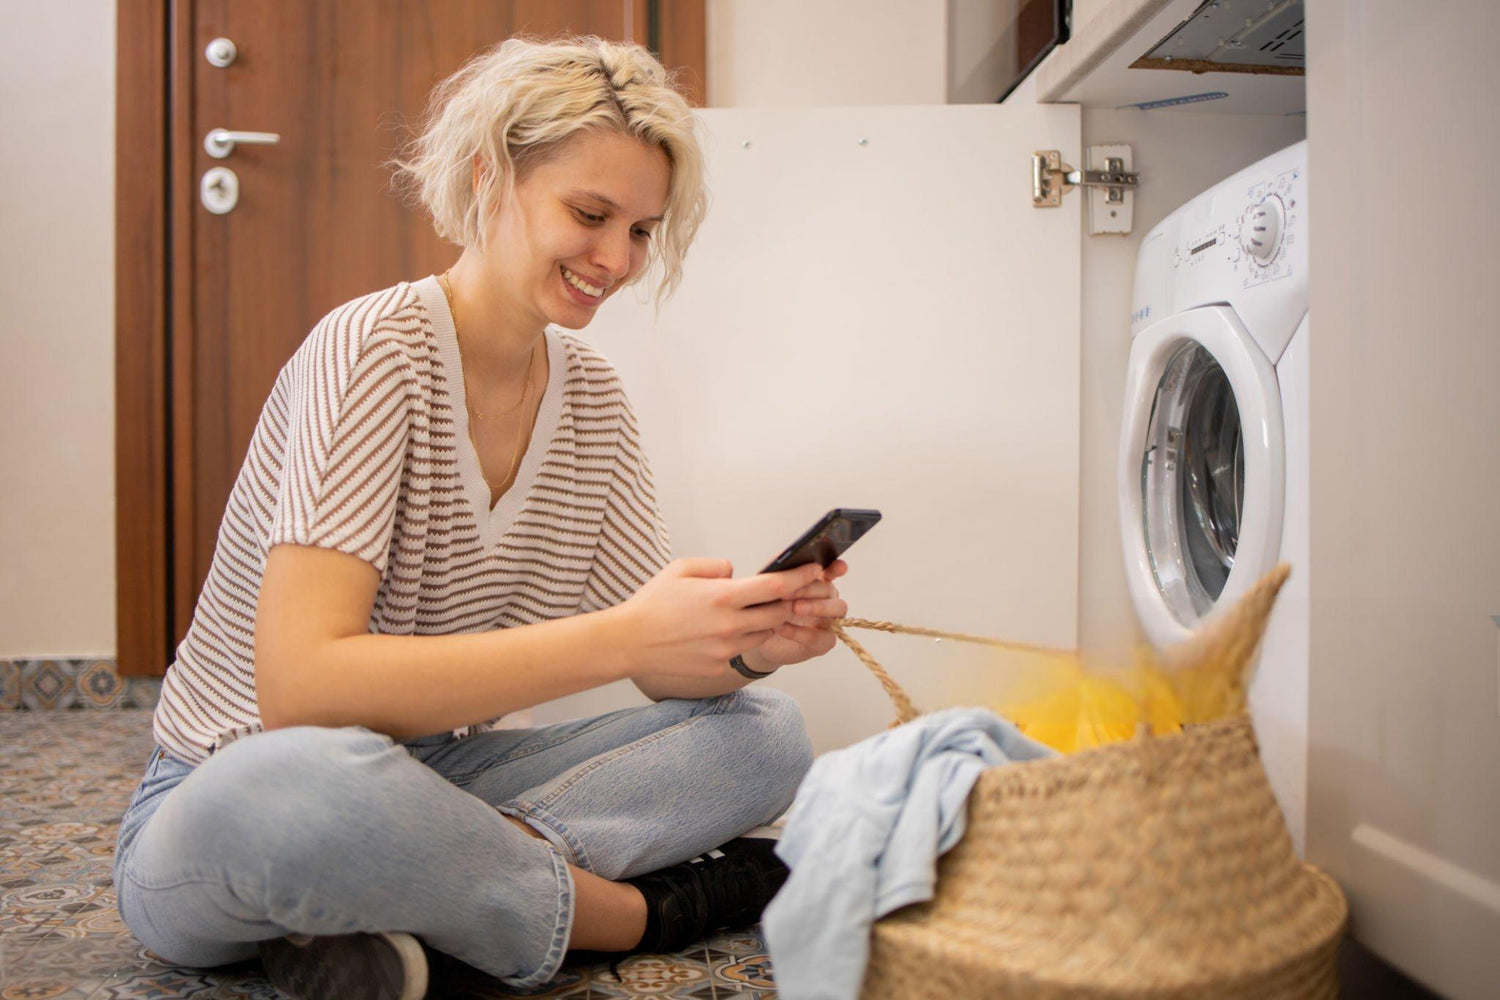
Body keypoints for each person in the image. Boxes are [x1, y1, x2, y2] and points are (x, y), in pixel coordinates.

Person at [112, 35, 848, 999]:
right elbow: (303, 691)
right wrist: (627, 632)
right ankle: (628, 913)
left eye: (640, 230)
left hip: (442, 788)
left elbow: (652, 661)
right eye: (590, 214)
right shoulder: (373, 348)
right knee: (292, 794)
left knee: (766, 734)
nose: (615, 258)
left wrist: (749, 640)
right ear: (488, 177)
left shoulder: (591, 399)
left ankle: (395, 905)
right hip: (245, 788)